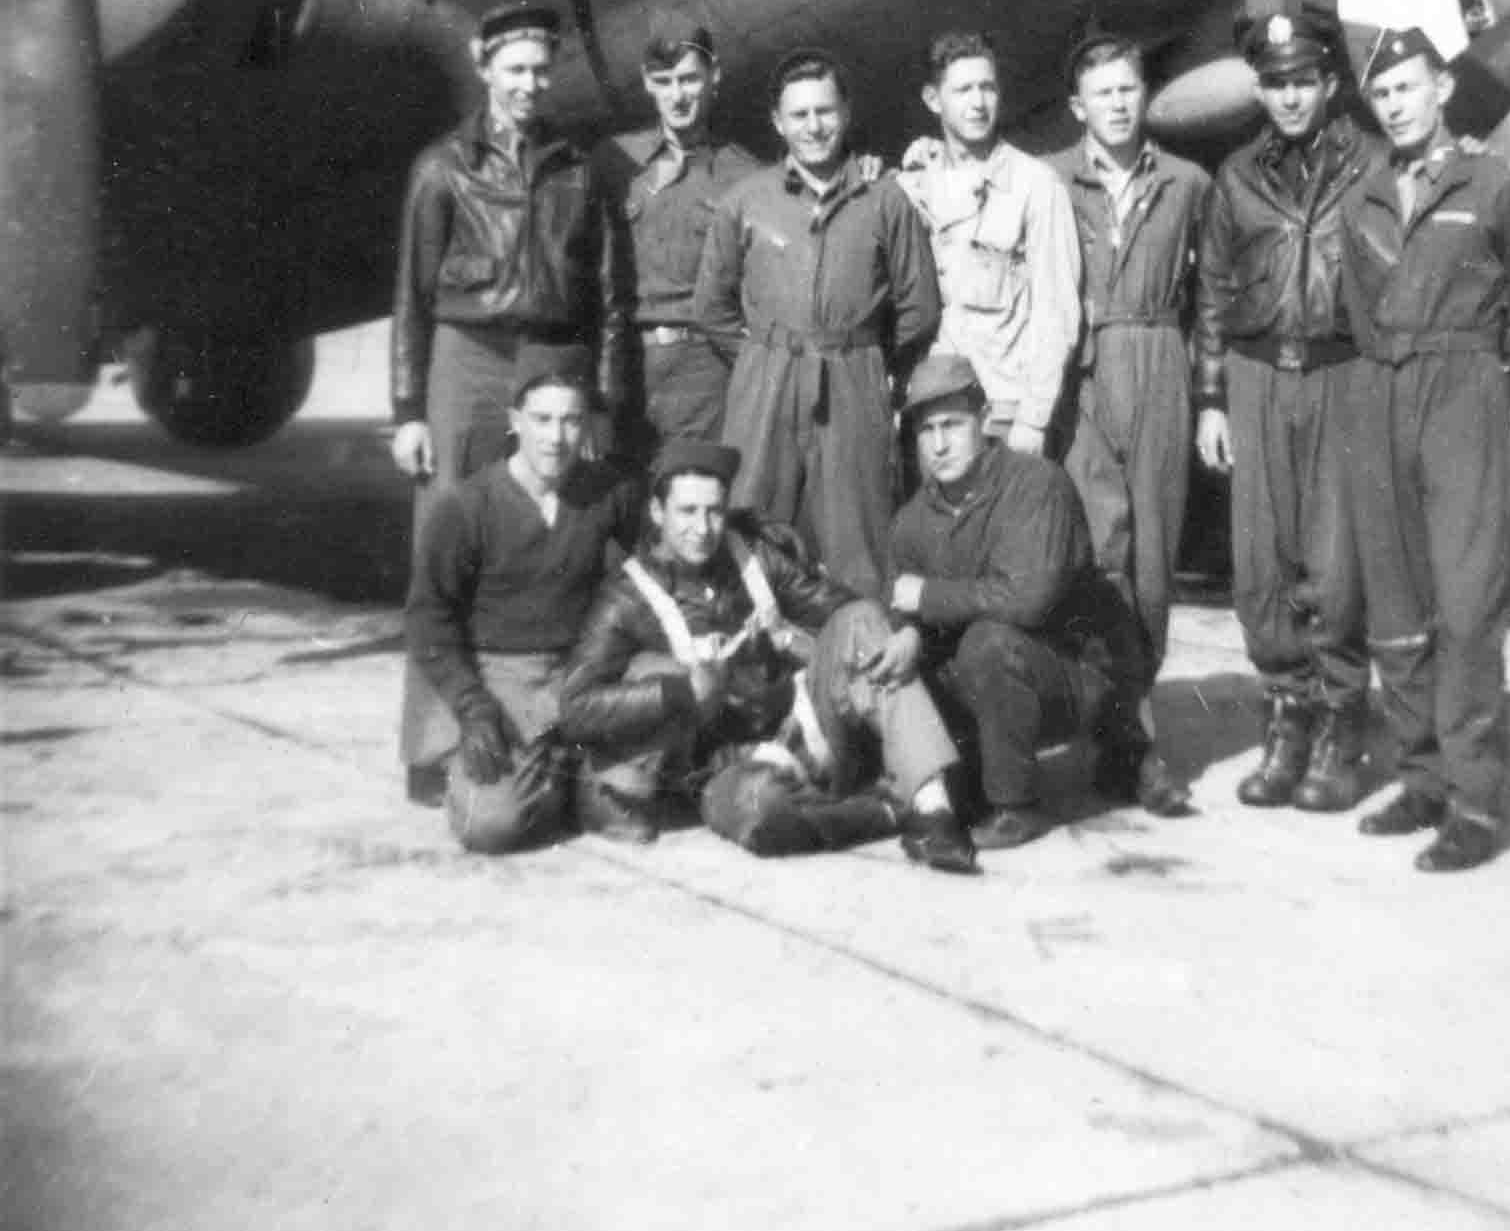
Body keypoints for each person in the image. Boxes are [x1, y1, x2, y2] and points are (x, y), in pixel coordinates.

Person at [1338, 26, 1510, 873]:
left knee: (1466, 606)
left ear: (1440, 87)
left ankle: (1473, 802)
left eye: (1407, 86)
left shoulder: (1497, 187)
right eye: (1382, 93)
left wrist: (1483, 391)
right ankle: (1421, 777)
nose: (1395, 104)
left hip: (1462, 392)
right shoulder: (1364, 195)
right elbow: (1361, 307)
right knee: (1394, 605)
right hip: (1380, 391)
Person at [389, 1, 624, 802]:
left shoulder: (576, 167)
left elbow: (605, 298)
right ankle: (433, 743)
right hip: (467, 358)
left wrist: (597, 399)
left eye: (539, 68)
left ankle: (557, 725)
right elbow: (411, 297)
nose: (528, 83)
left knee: (555, 526)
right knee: (445, 535)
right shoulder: (443, 165)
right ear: (485, 68)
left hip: (552, 357)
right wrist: (408, 410)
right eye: (514, 68)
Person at [558, 439, 977, 874]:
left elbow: (843, 609)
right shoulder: (626, 597)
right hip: (725, 767)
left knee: (862, 620)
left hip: (804, 725)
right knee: (760, 813)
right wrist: (673, 690)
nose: (703, 528)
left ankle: (936, 812)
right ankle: (888, 810)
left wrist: (902, 628)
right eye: (686, 512)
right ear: (657, 513)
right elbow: (574, 706)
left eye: (714, 510)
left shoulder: (753, 556)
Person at [1194, 0, 1377, 813]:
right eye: (1274, 82)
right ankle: (1285, 718)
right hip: (1256, 374)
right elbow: (1211, 292)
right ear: (1259, 90)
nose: (1290, 96)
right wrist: (1210, 399)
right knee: (1261, 571)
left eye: (1303, 78)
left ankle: (1341, 725)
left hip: (1341, 375)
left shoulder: (1373, 169)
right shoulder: (1235, 178)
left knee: (1335, 571)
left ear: (1329, 80)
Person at [692, 49, 940, 596]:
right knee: (750, 517)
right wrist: (764, 358)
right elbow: (712, 307)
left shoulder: (885, 200)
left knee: (859, 531)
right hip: (767, 376)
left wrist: (867, 360)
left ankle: (858, 662)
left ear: (846, 113)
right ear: (778, 123)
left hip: (854, 375)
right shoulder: (745, 202)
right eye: (799, 115)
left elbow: (918, 308)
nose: (814, 126)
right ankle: (751, 663)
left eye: (824, 111)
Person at [885, 352, 1152, 851]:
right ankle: (967, 781)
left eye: (953, 425)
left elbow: (1028, 599)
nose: (939, 444)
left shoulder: (1036, 485)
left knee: (987, 643)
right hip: (994, 686)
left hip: (1076, 679)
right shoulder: (912, 521)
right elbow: (908, 606)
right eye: (927, 431)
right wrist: (906, 629)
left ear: (985, 421)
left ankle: (1017, 804)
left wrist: (928, 596)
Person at [1049, 21, 1209, 818]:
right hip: (1083, 373)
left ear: (1144, 96)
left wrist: (1208, 397)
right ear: (1076, 106)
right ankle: (1122, 735)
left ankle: (1128, 734)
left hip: (1158, 362)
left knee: (1152, 563)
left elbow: (1210, 299)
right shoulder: (1047, 181)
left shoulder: (1185, 183)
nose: (1115, 104)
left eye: (1127, 89)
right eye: (1100, 92)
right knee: (1099, 556)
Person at [402, 344, 640, 854]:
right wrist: (471, 707)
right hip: (503, 676)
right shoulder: (467, 507)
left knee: (631, 808)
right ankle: (538, 770)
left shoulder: (608, 495)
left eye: (572, 421)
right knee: (491, 827)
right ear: (515, 421)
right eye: (542, 419)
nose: (556, 437)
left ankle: (568, 768)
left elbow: (652, 569)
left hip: (579, 674)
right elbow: (429, 617)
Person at [894, 31, 1081, 453]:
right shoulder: (913, 187)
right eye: (962, 90)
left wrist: (1033, 421)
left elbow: (1057, 313)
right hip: (935, 414)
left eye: (988, 87)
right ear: (933, 99)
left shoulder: (1036, 185)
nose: (978, 103)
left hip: (1004, 415)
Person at [590, 10, 757, 457]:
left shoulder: (744, 174)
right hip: (628, 367)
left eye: (688, 79)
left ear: (714, 75)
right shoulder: (613, 163)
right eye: (663, 81)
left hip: (705, 372)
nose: (677, 96)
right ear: (647, 81)